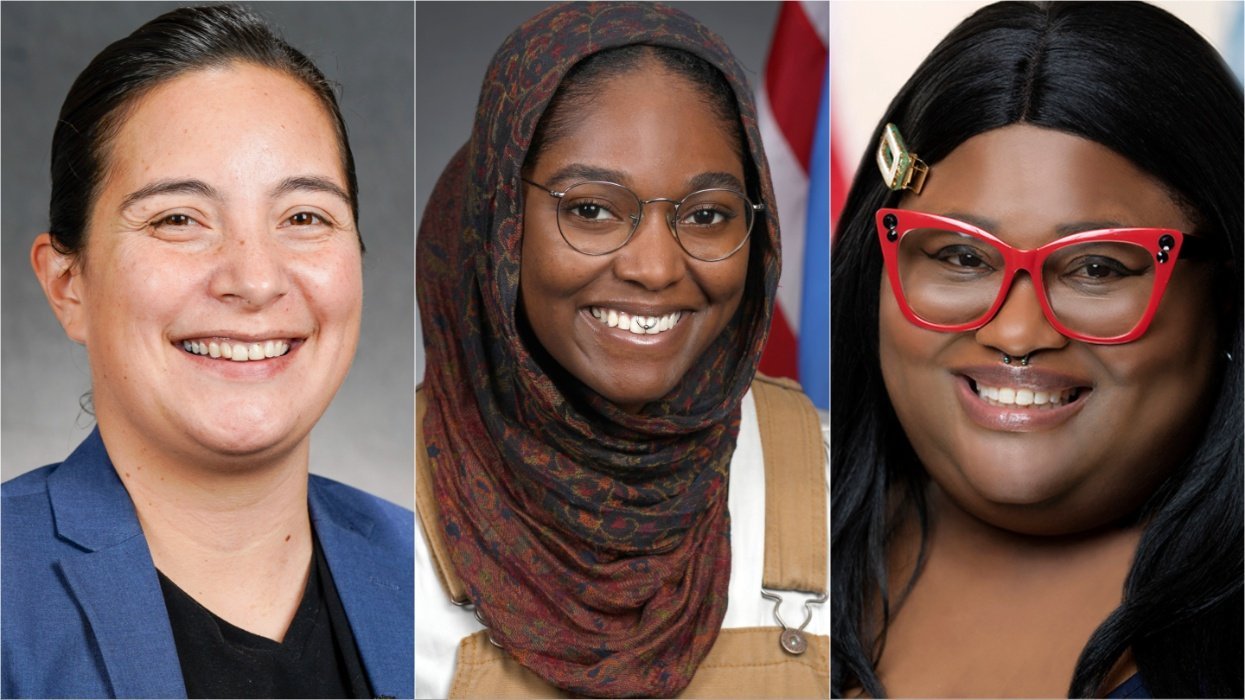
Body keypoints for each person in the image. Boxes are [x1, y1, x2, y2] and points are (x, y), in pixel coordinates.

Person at [830, 2, 1242, 698]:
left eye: (1097, 268)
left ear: (1227, 295)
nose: (1017, 334)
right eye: (961, 256)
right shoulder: (744, 543)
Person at [416, 2, 828, 697]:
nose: (655, 268)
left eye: (705, 216)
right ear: (501, 219)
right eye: (592, 209)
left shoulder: (835, 484)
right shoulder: (387, 525)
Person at [1, 5, 413, 698]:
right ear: (69, 286)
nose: (254, 280)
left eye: (305, 217)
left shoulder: (433, 574)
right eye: (178, 219)